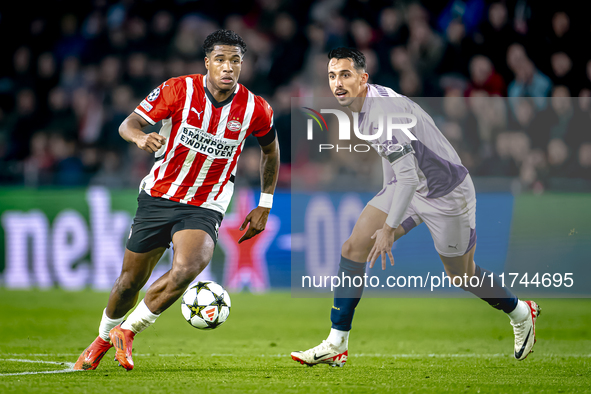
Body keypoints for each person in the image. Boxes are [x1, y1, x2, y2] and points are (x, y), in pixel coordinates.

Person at [291, 48, 539, 367]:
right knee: (353, 248)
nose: (337, 83)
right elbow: (394, 161)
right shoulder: (363, 104)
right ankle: (336, 343)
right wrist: (386, 198)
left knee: (462, 275)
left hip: (446, 193)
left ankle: (520, 312)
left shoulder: (381, 112)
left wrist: (391, 229)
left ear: (363, 78)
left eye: (345, 75)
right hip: (408, 183)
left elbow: (407, 176)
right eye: (332, 76)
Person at [74, 29, 280, 371]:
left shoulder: (256, 108)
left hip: (205, 204)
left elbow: (270, 152)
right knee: (129, 283)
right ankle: (101, 341)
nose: (228, 67)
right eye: (220, 60)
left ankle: (129, 330)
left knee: (187, 268)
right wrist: (140, 138)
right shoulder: (177, 89)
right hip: (159, 195)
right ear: (207, 63)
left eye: (235, 61)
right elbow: (129, 123)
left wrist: (265, 202)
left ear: (242, 65)